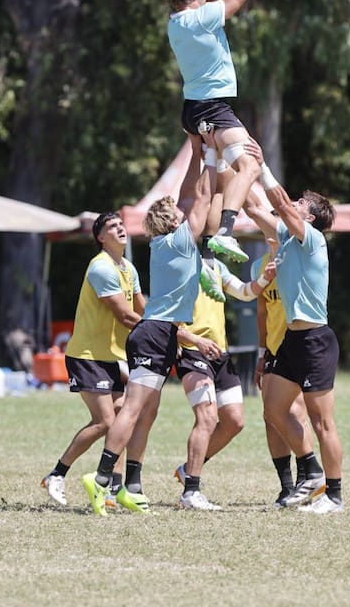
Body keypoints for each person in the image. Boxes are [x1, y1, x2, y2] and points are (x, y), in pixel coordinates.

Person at [82, 145, 224, 516]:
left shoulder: (166, 243)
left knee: (147, 415)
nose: (187, 213)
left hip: (162, 334)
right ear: (173, 221)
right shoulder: (177, 241)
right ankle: (100, 481)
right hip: (153, 334)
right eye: (180, 212)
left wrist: (198, 150)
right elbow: (202, 194)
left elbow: (191, 192)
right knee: (131, 410)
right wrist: (210, 155)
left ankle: (131, 485)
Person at [245, 154, 344, 514]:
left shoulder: (312, 238)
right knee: (273, 409)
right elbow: (256, 207)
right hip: (291, 340)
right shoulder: (286, 240)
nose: (295, 205)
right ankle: (312, 470)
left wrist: (264, 168)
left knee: (322, 422)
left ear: (310, 217)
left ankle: (334, 495)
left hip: (316, 340)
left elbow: (280, 204)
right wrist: (234, 163)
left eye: (302, 203)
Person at [160, 0, 259, 269]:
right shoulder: (202, 18)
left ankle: (201, 255)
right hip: (214, 108)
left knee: (211, 185)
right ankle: (226, 232)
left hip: (192, 109)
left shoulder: (179, 21)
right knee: (249, 165)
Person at [40, 212, 142, 508]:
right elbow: (124, 315)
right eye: (112, 226)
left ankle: (113, 488)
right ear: (100, 237)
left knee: (123, 418)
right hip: (86, 356)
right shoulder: (100, 267)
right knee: (105, 421)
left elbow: (141, 309)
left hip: (109, 357)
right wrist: (163, 333)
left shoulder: (129, 268)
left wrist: (159, 326)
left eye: (121, 224)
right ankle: (57, 474)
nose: (120, 228)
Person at [171, 243, 275, 510]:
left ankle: (188, 470)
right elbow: (166, 316)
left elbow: (244, 292)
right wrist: (188, 339)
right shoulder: (182, 265)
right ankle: (190, 493)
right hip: (194, 351)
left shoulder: (218, 267)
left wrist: (266, 277)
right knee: (206, 419)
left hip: (220, 354)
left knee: (235, 422)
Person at [249, 235, 312, 508]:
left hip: (299, 345)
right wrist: (262, 352)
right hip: (274, 349)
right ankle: (287, 486)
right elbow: (262, 312)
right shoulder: (258, 266)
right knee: (270, 416)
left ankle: (307, 479)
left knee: (295, 411)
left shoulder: (300, 257)